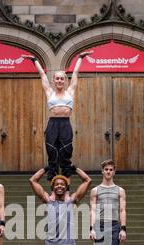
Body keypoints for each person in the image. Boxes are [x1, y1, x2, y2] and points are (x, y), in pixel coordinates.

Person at [22, 51, 92, 180]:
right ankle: (53, 192)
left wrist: (81, 58)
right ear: (54, 80)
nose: (59, 80)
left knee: (66, 155)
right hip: (53, 124)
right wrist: (34, 59)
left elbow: (75, 73)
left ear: (65, 81)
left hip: (65, 123)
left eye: (62, 78)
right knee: (52, 154)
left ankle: (67, 192)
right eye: (57, 78)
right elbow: (42, 75)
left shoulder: (70, 91)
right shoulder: (49, 92)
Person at [89, 159, 127, 245]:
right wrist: (91, 228)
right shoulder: (95, 190)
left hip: (114, 225)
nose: (108, 172)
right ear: (102, 171)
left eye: (111, 169)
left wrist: (123, 229)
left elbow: (122, 210)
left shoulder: (120, 190)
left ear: (114, 172)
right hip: (100, 225)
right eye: (106, 169)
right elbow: (93, 210)